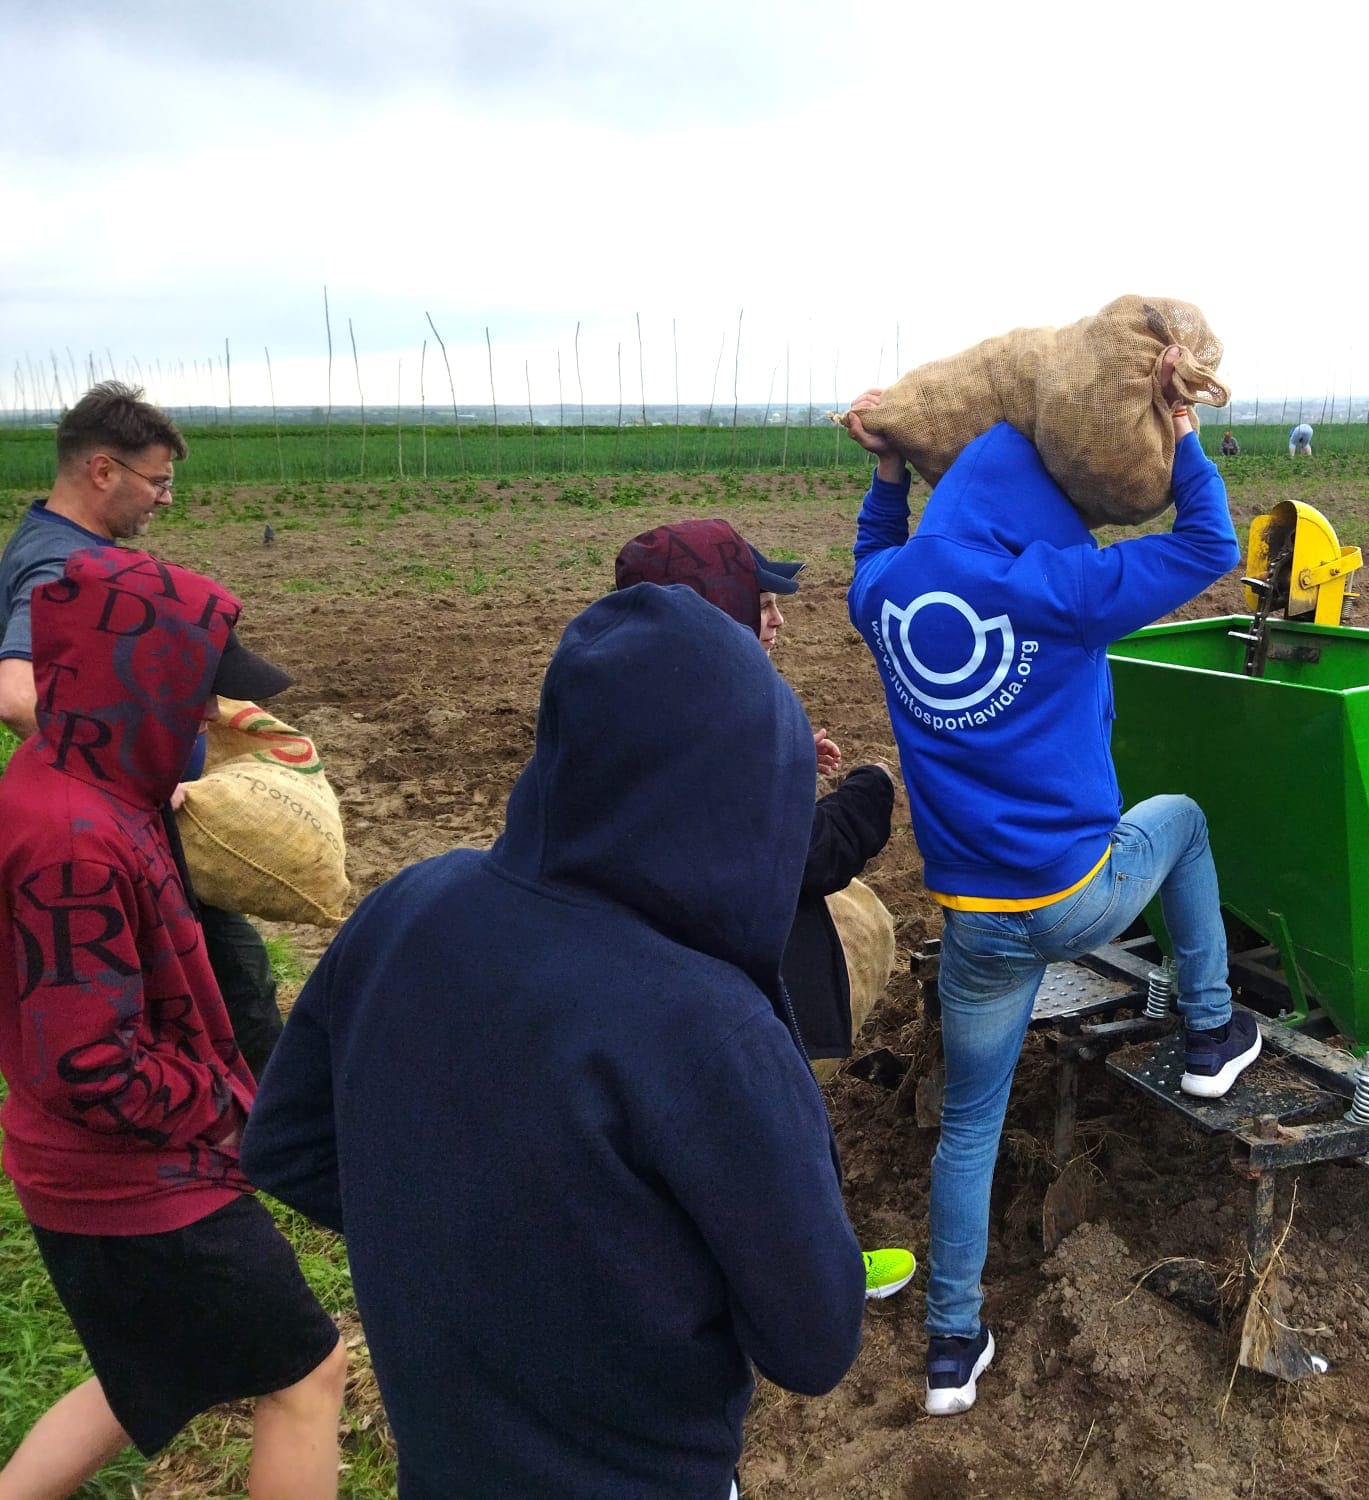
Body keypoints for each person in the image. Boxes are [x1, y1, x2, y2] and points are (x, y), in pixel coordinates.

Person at [242, 584, 864, 1499]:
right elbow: (814, 1343)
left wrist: (469, 1254)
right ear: (742, 790)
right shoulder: (712, 1025)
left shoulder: (407, 907)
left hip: (443, 1462)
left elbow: (289, 1146)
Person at [840, 348, 1257, 1418]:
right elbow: (1208, 543)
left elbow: (874, 548)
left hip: (975, 924)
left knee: (969, 1129)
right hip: (1078, 894)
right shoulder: (1052, 586)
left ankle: (947, 1349)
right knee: (1185, 822)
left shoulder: (884, 597)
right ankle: (1211, 1037)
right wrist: (1184, 427)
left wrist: (887, 477)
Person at [0, 547, 345, 1499]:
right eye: (195, 690)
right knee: (306, 1376)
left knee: (145, 1371)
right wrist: (223, 1107)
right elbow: (91, 1067)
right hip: (132, 1184)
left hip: (99, 1174)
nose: (205, 711)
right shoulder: (70, 843)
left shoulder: (87, 786)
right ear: (134, 687)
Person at [613, 515, 916, 1300]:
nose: (778, 618)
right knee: (771, 1127)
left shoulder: (631, 693)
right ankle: (813, 1275)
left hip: (638, 973)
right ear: (711, 611)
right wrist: (868, 795)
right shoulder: (711, 717)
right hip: (719, 988)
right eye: (761, 602)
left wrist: (781, 757)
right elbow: (799, 859)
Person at [0, 382, 286, 1077]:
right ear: (102, 470)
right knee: (236, 973)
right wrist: (139, 770)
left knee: (202, 967)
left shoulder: (62, 546)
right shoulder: (63, 567)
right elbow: (14, 694)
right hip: (127, 819)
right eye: (156, 482)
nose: (165, 497)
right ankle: (275, 1116)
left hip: (125, 819)